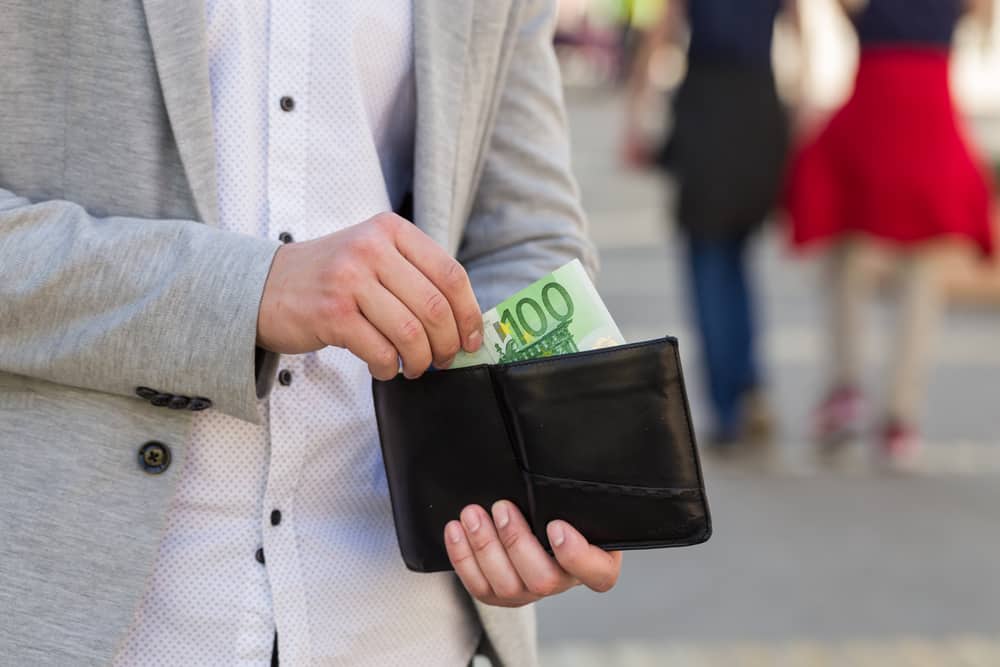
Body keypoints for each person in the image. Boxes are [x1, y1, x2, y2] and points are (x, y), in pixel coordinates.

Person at [0, 2, 623, 665]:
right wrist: (248, 290)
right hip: (85, 610)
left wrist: (537, 476)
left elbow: (522, 236)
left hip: (405, 617)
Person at [784, 0, 995, 468]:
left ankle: (846, 387)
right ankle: (900, 415)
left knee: (846, 255)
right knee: (921, 271)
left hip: (875, 102)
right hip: (929, 107)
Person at [623, 0, 798, 448]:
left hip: (707, 112)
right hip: (759, 108)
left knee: (707, 262)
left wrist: (636, 116)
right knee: (737, 259)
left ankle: (727, 405)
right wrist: (799, 113)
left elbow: (660, 34)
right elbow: (800, 37)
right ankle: (748, 382)